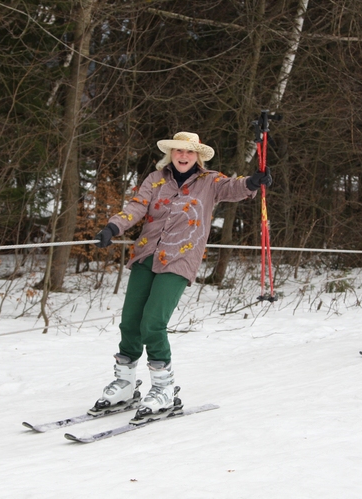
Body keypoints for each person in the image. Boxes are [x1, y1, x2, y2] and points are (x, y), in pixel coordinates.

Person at [92, 131, 272, 422]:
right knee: (130, 322)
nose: (184, 156)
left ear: (198, 155)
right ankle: (124, 383)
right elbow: (137, 206)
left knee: (153, 322)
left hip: (180, 259)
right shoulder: (155, 179)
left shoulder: (209, 181)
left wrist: (252, 182)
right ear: (171, 153)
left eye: (189, 152)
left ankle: (163, 389)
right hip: (146, 255)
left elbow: (233, 188)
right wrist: (113, 228)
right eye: (179, 151)